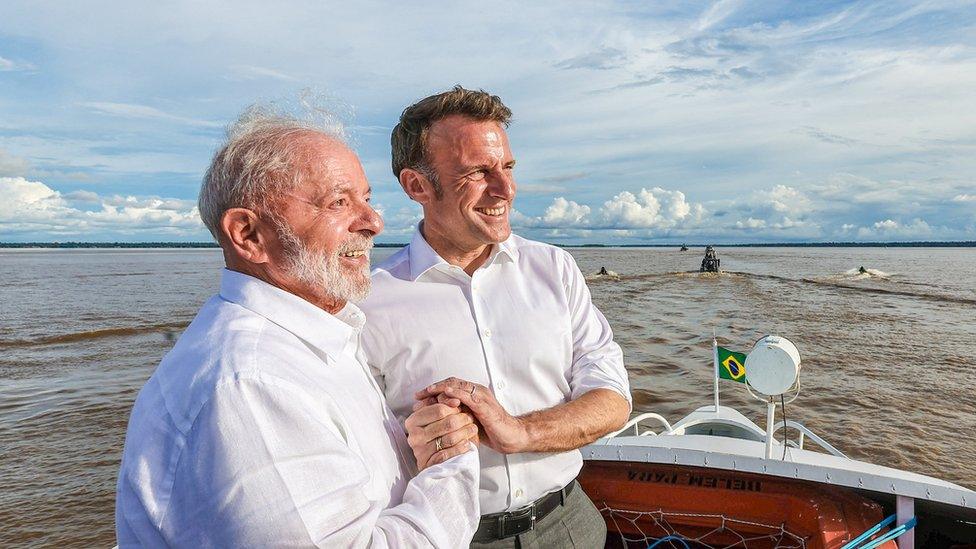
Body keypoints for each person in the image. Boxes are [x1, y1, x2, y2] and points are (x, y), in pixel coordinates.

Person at [115, 107, 481, 548]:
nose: (373, 222)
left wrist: (416, 441)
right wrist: (449, 464)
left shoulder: (313, 339)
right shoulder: (251, 384)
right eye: (338, 202)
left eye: (366, 198)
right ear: (248, 235)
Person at [360, 86, 632, 547]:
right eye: (478, 172)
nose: (505, 189)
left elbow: (614, 399)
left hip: (572, 522)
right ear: (416, 186)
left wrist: (520, 432)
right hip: (453, 536)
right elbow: (354, 447)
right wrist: (417, 441)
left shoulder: (554, 267)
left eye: (506, 167)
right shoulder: (366, 301)